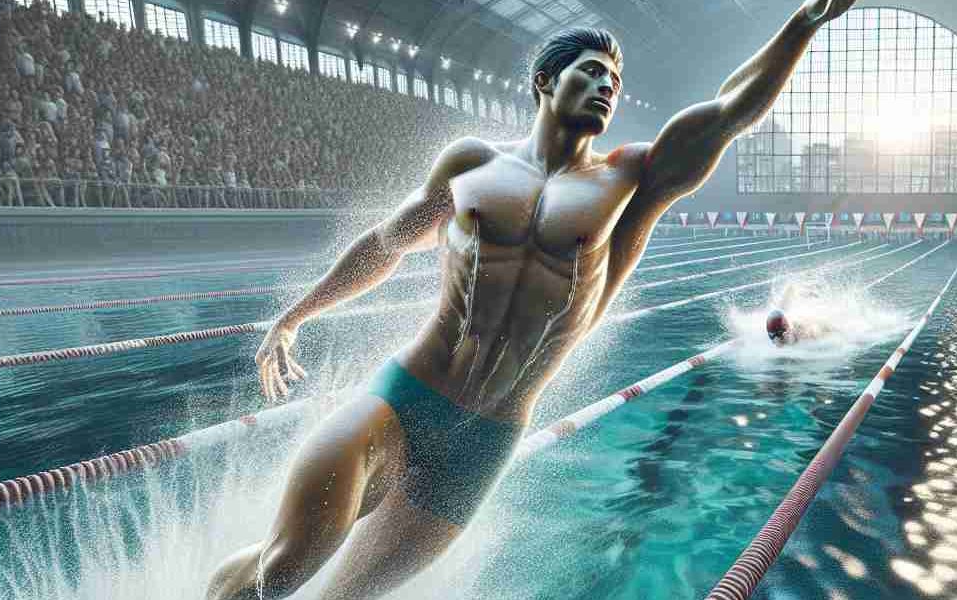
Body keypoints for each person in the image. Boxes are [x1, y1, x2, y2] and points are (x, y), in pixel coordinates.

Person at [206, 3, 860, 598]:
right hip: (407, 398)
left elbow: (730, 112)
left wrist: (805, 21)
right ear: (545, 82)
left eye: (615, 80)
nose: (608, 86)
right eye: (592, 71)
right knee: (283, 571)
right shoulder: (471, 166)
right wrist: (295, 317)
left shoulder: (629, 179)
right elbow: (386, 243)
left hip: (485, 440)